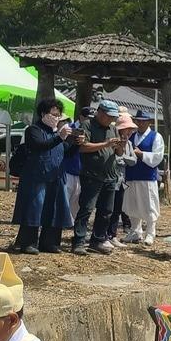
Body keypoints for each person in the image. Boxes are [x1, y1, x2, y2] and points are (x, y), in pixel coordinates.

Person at [12, 98, 75, 255]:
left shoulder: (57, 133)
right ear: (43, 114)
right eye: (53, 113)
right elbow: (39, 146)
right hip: (36, 176)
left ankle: (50, 243)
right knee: (33, 209)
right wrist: (59, 137)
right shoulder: (33, 130)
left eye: (58, 114)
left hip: (56, 176)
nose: (56, 117)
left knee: (54, 209)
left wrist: (76, 144)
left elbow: (66, 152)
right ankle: (28, 243)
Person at [71, 99, 125, 255]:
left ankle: (98, 240)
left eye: (113, 117)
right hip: (92, 174)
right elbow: (82, 147)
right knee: (86, 208)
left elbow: (118, 153)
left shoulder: (113, 129)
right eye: (109, 116)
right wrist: (105, 144)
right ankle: (79, 241)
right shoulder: (87, 125)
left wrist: (120, 146)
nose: (111, 120)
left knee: (106, 211)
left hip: (110, 175)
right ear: (100, 112)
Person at [121, 109, 164, 247]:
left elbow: (158, 157)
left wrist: (142, 154)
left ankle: (150, 232)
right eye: (138, 120)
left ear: (148, 122)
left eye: (142, 121)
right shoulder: (131, 136)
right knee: (132, 203)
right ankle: (135, 231)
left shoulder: (155, 136)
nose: (139, 123)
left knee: (149, 204)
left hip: (147, 177)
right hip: (131, 175)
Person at [97, 113, 138, 248]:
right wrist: (122, 156)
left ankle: (113, 234)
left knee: (118, 209)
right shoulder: (112, 140)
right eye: (126, 129)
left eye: (131, 130)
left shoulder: (130, 144)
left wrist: (123, 155)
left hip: (122, 181)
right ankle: (103, 235)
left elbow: (133, 161)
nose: (129, 132)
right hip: (111, 179)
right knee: (107, 208)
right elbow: (113, 159)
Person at [62, 106, 90, 219]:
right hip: (68, 169)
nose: (89, 121)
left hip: (82, 172)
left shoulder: (90, 132)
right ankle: (61, 221)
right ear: (81, 117)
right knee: (65, 197)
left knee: (77, 200)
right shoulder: (69, 129)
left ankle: (72, 222)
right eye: (87, 118)